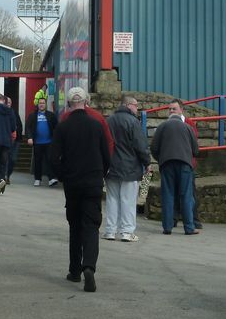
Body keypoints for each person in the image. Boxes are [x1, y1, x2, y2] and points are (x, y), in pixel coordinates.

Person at [51, 87, 111, 292]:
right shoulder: (96, 125)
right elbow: (107, 155)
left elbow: (53, 157)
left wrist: (62, 175)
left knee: (75, 225)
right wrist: (100, 173)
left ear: (68, 104)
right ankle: (89, 267)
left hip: (73, 183)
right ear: (86, 102)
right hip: (93, 181)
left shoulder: (63, 127)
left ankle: (74, 270)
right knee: (91, 226)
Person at [104, 94, 150, 242]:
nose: (137, 109)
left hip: (111, 166)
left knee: (112, 199)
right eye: (136, 105)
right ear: (128, 105)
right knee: (128, 200)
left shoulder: (109, 121)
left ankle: (110, 231)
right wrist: (147, 162)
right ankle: (127, 232)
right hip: (130, 167)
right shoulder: (133, 122)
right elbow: (140, 145)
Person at [151, 98, 200, 235]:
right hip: (185, 164)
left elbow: (154, 148)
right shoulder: (188, 127)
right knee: (186, 195)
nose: (171, 110)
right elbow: (196, 150)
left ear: (179, 110)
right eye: (170, 108)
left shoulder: (161, 127)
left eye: (173, 108)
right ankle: (189, 227)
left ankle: (167, 227)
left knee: (168, 194)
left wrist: (161, 159)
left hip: (167, 164)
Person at [27, 97, 58, 187]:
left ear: (45, 104)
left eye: (43, 103)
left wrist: (56, 139)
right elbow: (28, 127)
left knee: (50, 160)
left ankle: (51, 178)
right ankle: (37, 179)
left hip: (49, 142)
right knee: (38, 161)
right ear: (38, 104)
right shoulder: (33, 115)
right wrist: (29, 137)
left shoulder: (51, 115)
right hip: (37, 142)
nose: (41, 105)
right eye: (40, 103)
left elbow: (57, 127)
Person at [7, 97, 22, 184]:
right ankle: (4, 177)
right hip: (5, 139)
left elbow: (19, 125)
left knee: (13, 159)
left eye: (9, 102)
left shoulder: (14, 113)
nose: (8, 103)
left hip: (15, 140)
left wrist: (16, 131)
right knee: (5, 159)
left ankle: (8, 175)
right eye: (7, 102)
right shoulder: (3, 113)